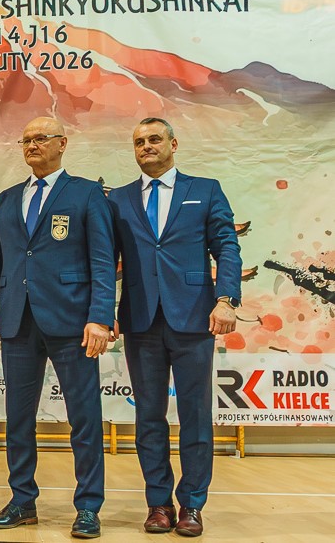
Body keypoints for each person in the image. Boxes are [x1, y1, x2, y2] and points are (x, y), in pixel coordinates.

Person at [0, 116, 115, 539]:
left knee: (84, 419)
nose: (32, 145)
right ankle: (22, 501)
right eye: (26, 140)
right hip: (17, 322)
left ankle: (88, 506)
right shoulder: (6, 199)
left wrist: (100, 316)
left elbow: (103, 260)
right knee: (18, 418)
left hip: (73, 322)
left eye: (41, 138)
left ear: (62, 143)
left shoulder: (87, 193)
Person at [108, 117, 241, 537]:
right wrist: (101, 311)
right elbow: (103, 260)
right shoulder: (118, 199)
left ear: (173, 143)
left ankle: (192, 505)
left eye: (154, 139)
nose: (146, 146)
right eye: (138, 142)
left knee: (195, 415)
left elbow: (227, 247)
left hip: (194, 318)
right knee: (149, 416)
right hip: (140, 320)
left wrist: (226, 299)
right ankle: (159, 504)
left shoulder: (205, 190)